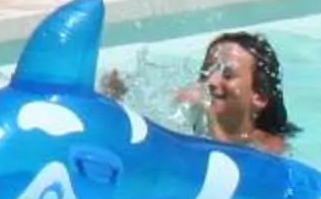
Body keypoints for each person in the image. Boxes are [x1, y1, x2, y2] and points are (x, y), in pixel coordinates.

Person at [102, 31, 298, 155]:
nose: (211, 82)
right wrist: (116, 98)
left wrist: (209, 114)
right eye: (208, 71)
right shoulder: (185, 109)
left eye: (227, 75)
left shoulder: (270, 148)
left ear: (260, 97)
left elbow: (231, 168)